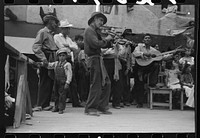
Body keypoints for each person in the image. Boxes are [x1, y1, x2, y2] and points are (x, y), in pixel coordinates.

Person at [84, 12, 114, 116]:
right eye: (100, 20)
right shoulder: (89, 30)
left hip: (98, 59)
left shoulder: (95, 31)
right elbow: (96, 44)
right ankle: (91, 108)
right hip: (93, 59)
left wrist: (111, 40)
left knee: (107, 83)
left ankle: (102, 106)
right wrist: (107, 39)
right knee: (96, 84)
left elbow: (103, 45)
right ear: (94, 19)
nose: (102, 23)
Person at [132, 34, 172, 108]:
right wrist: (144, 53)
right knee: (139, 84)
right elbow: (135, 53)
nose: (147, 39)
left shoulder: (153, 50)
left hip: (148, 68)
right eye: (146, 38)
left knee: (156, 64)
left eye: (149, 38)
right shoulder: (139, 46)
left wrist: (172, 55)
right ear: (143, 40)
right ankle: (139, 102)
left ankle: (152, 82)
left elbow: (161, 56)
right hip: (139, 67)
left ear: (151, 41)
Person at [32, 15, 59, 111]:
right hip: (46, 56)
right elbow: (36, 46)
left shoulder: (50, 34)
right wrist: (43, 59)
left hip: (52, 56)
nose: (56, 24)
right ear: (50, 22)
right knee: (44, 80)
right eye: (55, 22)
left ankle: (45, 104)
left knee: (50, 80)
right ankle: (40, 104)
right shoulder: (43, 32)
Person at [54, 19, 82, 107]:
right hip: (61, 59)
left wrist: (68, 46)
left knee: (72, 81)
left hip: (69, 59)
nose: (69, 30)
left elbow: (76, 48)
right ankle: (58, 104)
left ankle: (75, 102)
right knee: (59, 82)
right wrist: (69, 48)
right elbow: (62, 48)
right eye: (67, 28)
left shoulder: (68, 39)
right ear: (63, 29)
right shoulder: (57, 36)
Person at [40, 48, 72, 114]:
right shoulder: (56, 63)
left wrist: (68, 82)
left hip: (63, 81)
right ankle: (56, 106)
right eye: (60, 56)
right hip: (56, 81)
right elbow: (49, 65)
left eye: (63, 55)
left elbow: (69, 74)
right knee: (56, 95)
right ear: (58, 57)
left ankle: (61, 108)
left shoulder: (67, 65)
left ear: (66, 56)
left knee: (62, 95)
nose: (62, 57)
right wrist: (42, 64)